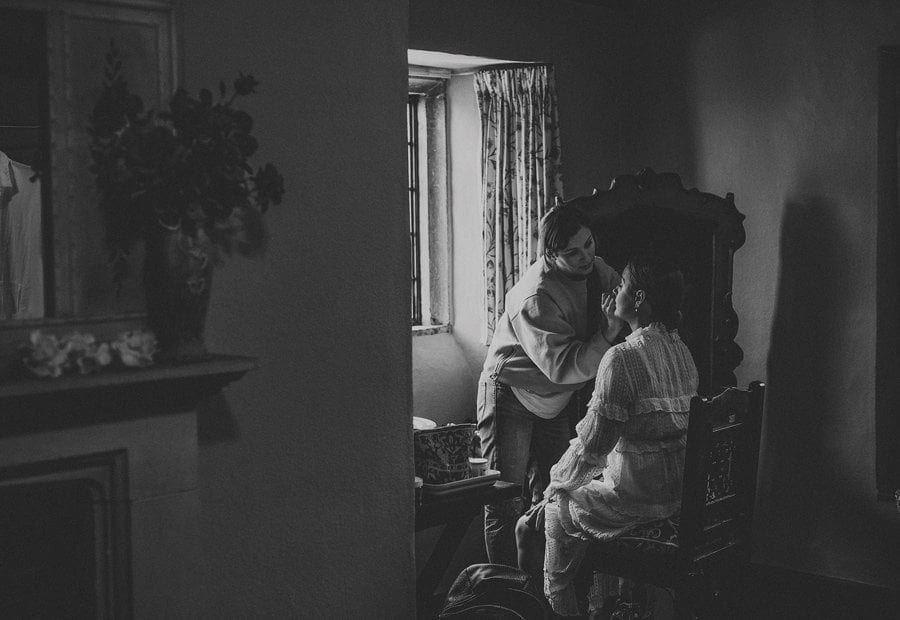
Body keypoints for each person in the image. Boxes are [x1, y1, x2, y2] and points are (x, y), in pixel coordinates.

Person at [515, 252, 700, 617]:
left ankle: (552, 610)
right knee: (571, 495)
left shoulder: (622, 358)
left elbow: (592, 449)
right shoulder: (682, 352)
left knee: (537, 520)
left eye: (623, 285)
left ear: (640, 298)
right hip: (674, 498)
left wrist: (554, 487)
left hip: (638, 503)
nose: (615, 290)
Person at [477, 203, 623, 568]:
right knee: (505, 500)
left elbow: (623, 294)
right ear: (550, 254)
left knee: (556, 494)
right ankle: (506, 594)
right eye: (572, 252)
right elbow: (563, 366)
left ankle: (546, 592)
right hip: (512, 393)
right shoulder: (536, 295)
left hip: (556, 401)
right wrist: (607, 335)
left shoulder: (595, 268)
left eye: (588, 244)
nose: (585, 256)